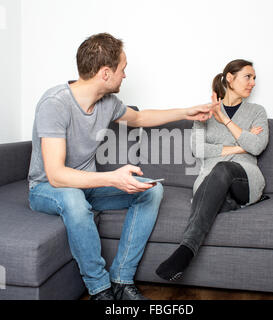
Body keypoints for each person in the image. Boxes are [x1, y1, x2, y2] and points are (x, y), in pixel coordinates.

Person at [27, 33, 216, 300]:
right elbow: (57, 177)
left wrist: (186, 112)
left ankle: (121, 280)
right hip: (47, 188)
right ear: (106, 73)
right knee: (72, 198)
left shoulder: (108, 103)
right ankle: (99, 289)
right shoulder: (55, 103)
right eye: (122, 69)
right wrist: (112, 179)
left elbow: (139, 117)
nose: (125, 75)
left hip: (85, 185)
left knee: (150, 190)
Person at [156, 59, 269, 281]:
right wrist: (240, 144)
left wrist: (226, 121)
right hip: (209, 180)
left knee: (223, 167)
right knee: (217, 172)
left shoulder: (257, 112)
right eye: (248, 76)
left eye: (254, 78)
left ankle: (186, 249)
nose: (253, 82)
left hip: (245, 178)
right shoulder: (205, 113)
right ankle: (227, 204)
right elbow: (197, 149)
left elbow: (256, 146)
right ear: (230, 78)